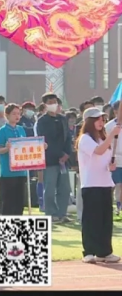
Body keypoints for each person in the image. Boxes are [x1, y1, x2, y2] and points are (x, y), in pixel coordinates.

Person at [76, 107, 120, 263]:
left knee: (105, 220)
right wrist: (112, 135)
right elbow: (99, 151)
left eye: (102, 119)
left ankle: (104, 251)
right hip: (91, 184)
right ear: (89, 121)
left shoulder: (103, 139)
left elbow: (104, 158)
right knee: (91, 219)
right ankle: (89, 251)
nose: (101, 122)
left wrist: (111, 166)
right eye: (97, 119)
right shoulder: (85, 139)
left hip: (105, 183)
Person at [35, 93, 73, 223]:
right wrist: (59, 154)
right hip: (50, 159)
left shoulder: (62, 119)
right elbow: (45, 141)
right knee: (50, 188)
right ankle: (51, 213)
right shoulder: (42, 121)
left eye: (55, 101)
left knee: (65, 188)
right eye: (50, 102)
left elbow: (68, 137)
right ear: (45, 105)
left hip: (64, 161)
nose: (53, 104)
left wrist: (67, 153)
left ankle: (62, 213)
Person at [0, 103, 28, 216]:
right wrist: (6, 148)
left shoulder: (21, 129)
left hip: (21, 171)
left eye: (18, 114)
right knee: (7, 202)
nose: (17, 116)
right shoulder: (2, 131)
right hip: (8, 172)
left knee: (19, 202)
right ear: (7, 115)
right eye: (14, 114)